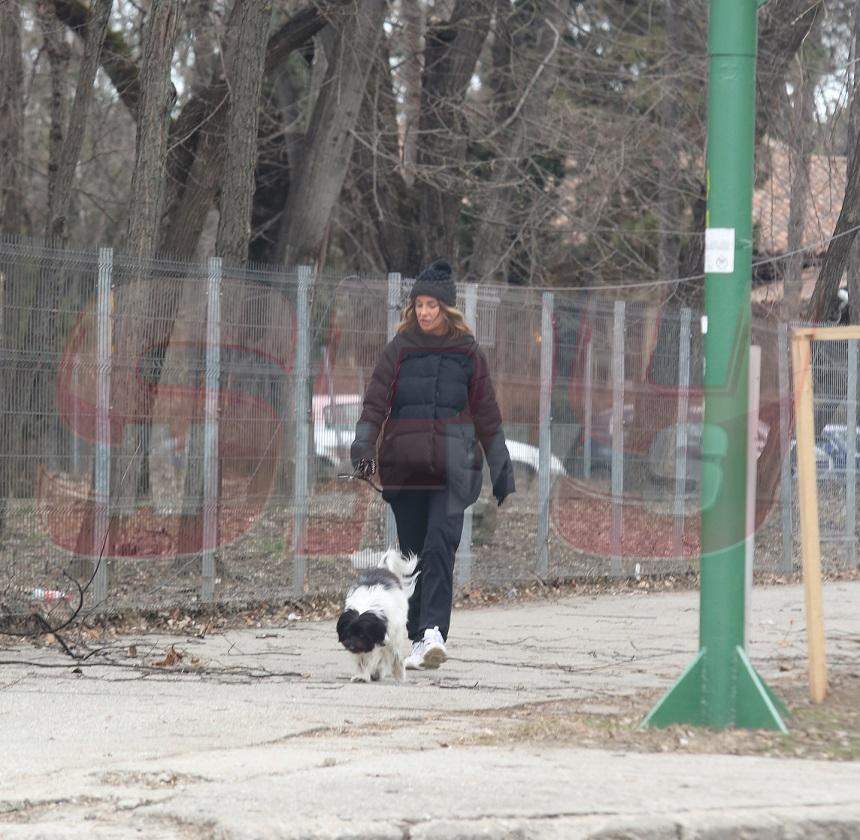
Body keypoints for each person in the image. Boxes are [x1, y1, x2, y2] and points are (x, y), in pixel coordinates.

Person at [351, 258, 515, 670]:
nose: (425, 312)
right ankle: (413, 633)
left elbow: (487, 414)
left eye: (432, 305)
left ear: (447, 309)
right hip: (406, 469)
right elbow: (374, 403)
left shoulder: (467, 354)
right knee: (412, 557)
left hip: (452, 469)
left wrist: (502, 468)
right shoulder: (400, 350)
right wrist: (363, 445)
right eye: (419, 304)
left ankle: (432, 635)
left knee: (441, 546)